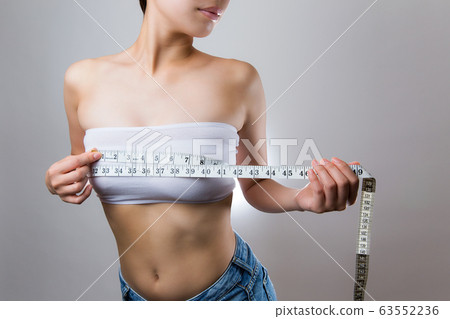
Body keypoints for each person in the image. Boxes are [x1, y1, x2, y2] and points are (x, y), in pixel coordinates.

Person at [45, 0, 361, 301]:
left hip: (232, 294)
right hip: (135, 297)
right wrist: (60, 182)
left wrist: (301, 199)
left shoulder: (238, 79)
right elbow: (81, 169)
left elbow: (256, 183)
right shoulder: (82, 80)